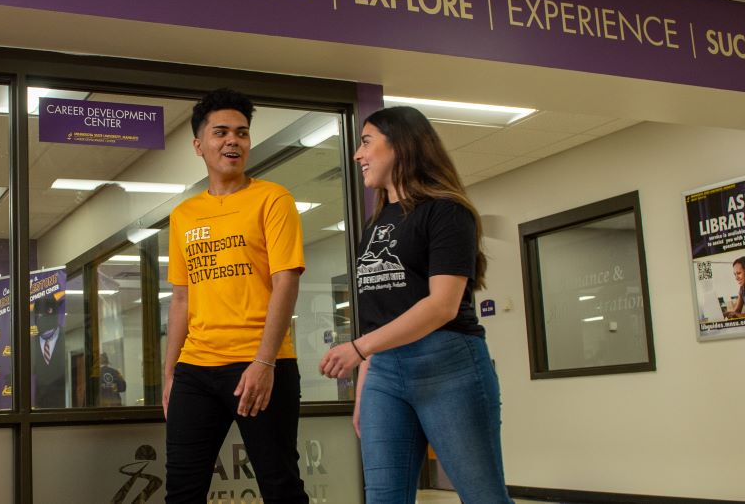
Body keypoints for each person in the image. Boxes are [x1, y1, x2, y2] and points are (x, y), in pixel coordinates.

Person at [319, 106, 512, 504]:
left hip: (448, 366)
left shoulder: (447, 211)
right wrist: (364, 393)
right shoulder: (375, 226)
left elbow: (442, 305)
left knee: (483, 497)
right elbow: (378, 318)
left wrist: (358, 350)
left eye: (367, 142)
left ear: (401, 145)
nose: (358, 154)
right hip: (385, 373)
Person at [163, 88, 309, 504]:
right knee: (182, 491)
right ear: (199, 145)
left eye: (242, 133)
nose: (233, 141)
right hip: (196, 367)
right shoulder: (184, 215)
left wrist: (263, 363)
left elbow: (286, 281)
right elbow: (180, 299)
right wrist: (171, 373)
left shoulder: (272, 199)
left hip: (260, 364)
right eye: (221, 132)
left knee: (280, 485)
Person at [33, 292, 68, 408]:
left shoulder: (66, 340)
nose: (40, 320)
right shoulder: (29, 345)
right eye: (37, 316)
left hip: (64, 410)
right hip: (38, 412)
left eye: (44, 315)